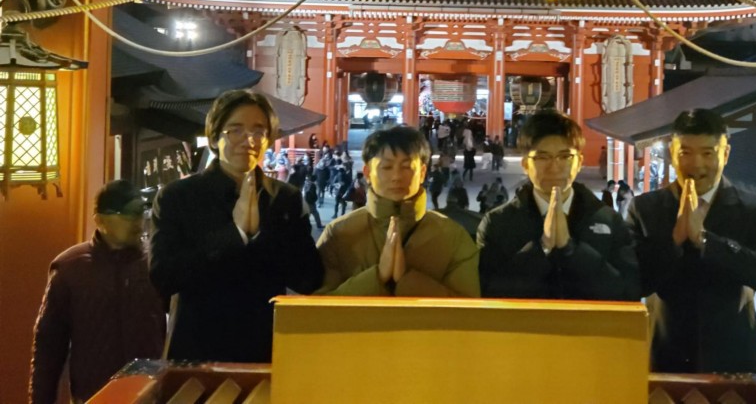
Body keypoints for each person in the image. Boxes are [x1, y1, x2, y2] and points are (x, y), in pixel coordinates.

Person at [150, 90, 323, 363]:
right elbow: (163, 277)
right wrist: (235, 234)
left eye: (259, 131)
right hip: (198, 350)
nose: (249, 140)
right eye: (235, 130)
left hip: (266, 348)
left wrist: (261, 237)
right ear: (214, 138)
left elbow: (309, 278)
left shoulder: (285, 198)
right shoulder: (178, 197)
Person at [625, 108, 756, 374]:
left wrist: (707, 240)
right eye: (685, 152)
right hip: (665, 354)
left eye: (708, 153)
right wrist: (674, 241)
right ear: (672, 153)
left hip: (735, 358)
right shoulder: (644, 208)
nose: (696, 165)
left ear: (725, 154)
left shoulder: (754, 209)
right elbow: (632, 283)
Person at [477, 110, 640, 300]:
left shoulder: (609, 221)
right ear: (525, 164)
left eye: (565, 157)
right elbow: (487, 293)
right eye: (542, 157)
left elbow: (629, 293)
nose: (554, 167)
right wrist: (542, 248)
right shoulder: (498, 223)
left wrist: (572, 250)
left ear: (579, 162)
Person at [30, 180, 165, 404]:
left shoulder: (156, 264)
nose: (138, 221)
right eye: (129, 213)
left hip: (150, 395)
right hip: (93, 396)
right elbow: (49, 346)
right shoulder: (70, 268)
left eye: (141, 212)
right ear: (100, 220)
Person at [316, 126, 480, 297]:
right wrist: (377, 276)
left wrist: (406, 280)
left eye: (407, 167)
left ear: (422, 172)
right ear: (368, 173)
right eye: (387, 167)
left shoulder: (453, 237)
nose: (396, 176)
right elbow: (317, 307)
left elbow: (467, 309)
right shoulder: (338, 234)